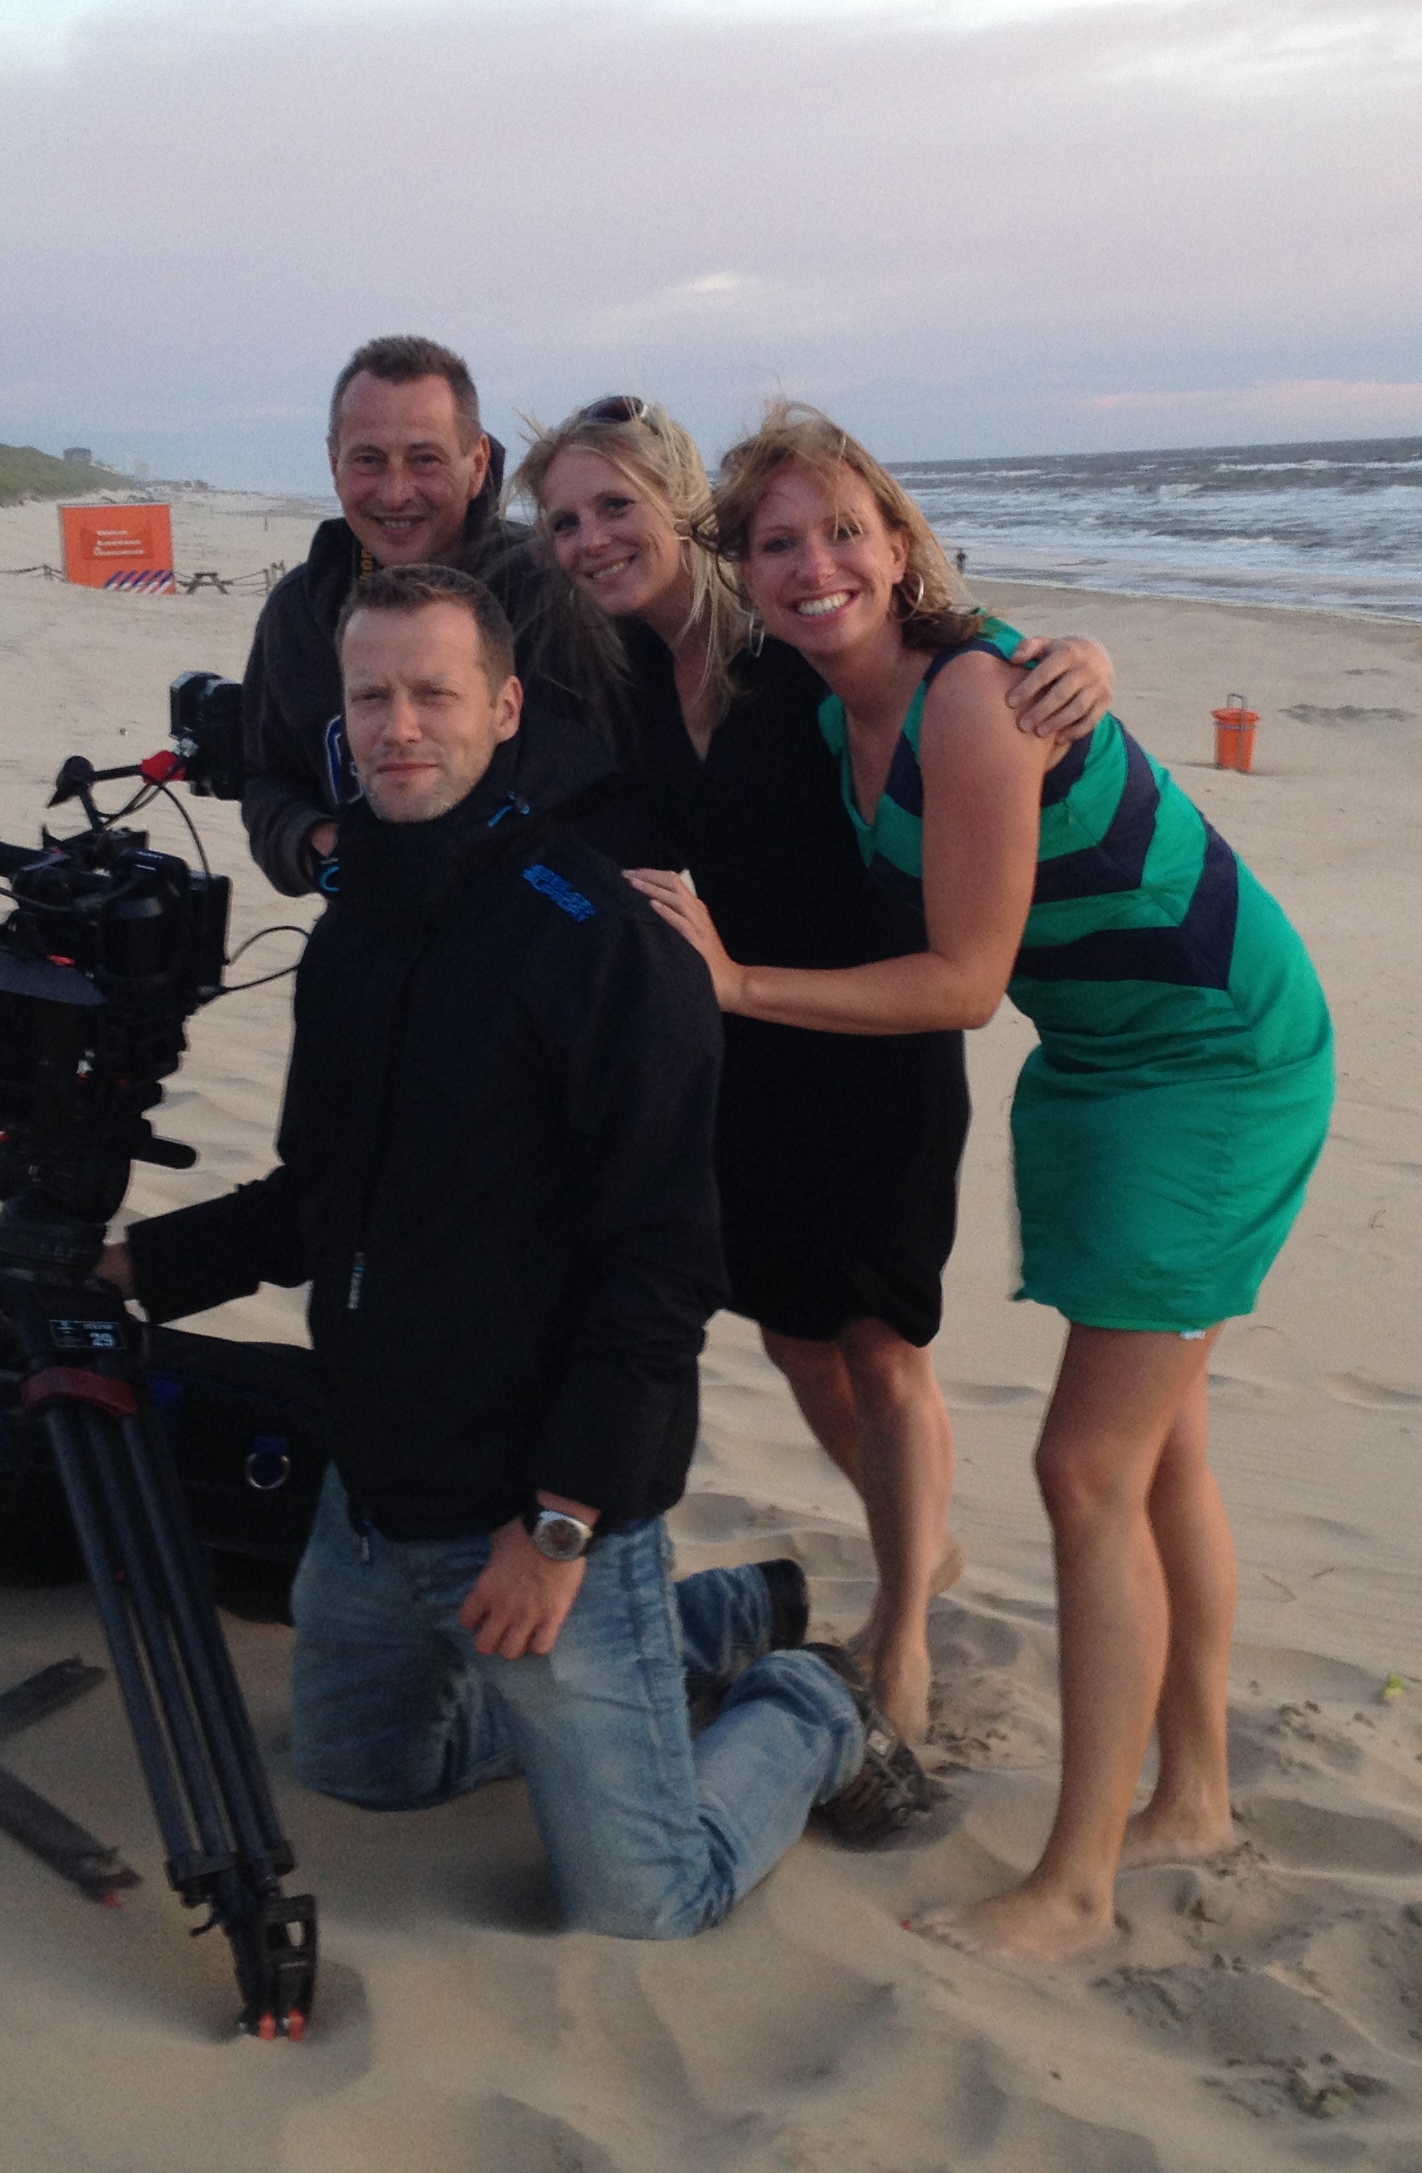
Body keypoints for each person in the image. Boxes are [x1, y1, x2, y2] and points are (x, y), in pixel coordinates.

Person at [103, 561, 930, 1939]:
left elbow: (663, 1270)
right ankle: (719, 1621)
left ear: (504, 710)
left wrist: (557, 1528)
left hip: (542, 1513)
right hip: (375, 1499)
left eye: (434, 695)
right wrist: (131, 1272)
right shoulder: (351, 929)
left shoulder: (602, 942)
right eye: (371, 697)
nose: (398, 727)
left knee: (648, 1900)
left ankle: (808, 1702)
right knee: (362, 1774)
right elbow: (317, 1200)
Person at [632, 406, 1334, 1964]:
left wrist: (736, 988)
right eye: (778, 544)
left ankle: (1075, 1888)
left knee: (1085, 1470)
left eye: (844, 531)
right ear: (745, 574)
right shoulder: (838, 712)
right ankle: (1194, 1794)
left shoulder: (966, 695)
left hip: (1216, 1058)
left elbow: (960, 984)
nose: (815, 564)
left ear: (900, 543)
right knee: (1158, 1453)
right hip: (1098, 1059)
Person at [511, 397, 1113, 1745]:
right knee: (793, 1338)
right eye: (564, 521)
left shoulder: (792, 643)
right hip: (733, 1049)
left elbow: (950, 648)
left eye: (616, 507)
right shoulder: (615, 669)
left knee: (882, 1349)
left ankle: (903, 1627)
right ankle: (921, 1539)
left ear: (683, 508)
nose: (593, 539)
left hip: (876, 1029)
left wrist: (1081, 656)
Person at [237, 335, 613, 898]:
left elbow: (616, 788)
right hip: (372, 927)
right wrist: (322, 846)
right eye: (368, 460)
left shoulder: (555, 597)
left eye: (425, 459)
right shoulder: (298, 612)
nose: (395, 493)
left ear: (477, 463)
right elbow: (267, 779)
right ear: (335, 463)